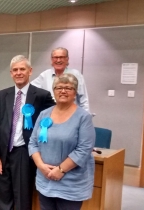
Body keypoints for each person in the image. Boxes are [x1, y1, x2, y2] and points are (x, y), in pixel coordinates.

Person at [0, 55, 55, 210]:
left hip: (24, 153)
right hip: (3, 153)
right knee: (2, 196)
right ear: (11, 73)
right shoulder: (2, 94)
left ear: (30, 71)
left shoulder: (41, 95)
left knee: (22, 197)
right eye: (15, 70)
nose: (18, 73)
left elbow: (54, 118)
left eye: (22, 69)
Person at [28, 73, 95, 210]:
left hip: (71, 184)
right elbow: (33, 143)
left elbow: (84, 149)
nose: (63, 91)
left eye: (68, 88)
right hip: (45, 179)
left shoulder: (83, 117)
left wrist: (60, 170)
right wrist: (41, 166)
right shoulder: (44, 114)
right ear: (54, 91)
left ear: (75, 92)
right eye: (58, 88)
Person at [31, 47, 90, 112]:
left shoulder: (76, 75)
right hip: (50, 116)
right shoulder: (45, 75)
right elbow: (30, 89)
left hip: (71, 115)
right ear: (52, 59)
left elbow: (83, 100)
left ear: (67, 59)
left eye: (61, 57)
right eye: (56, 57)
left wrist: (86, 117)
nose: (58, 60)